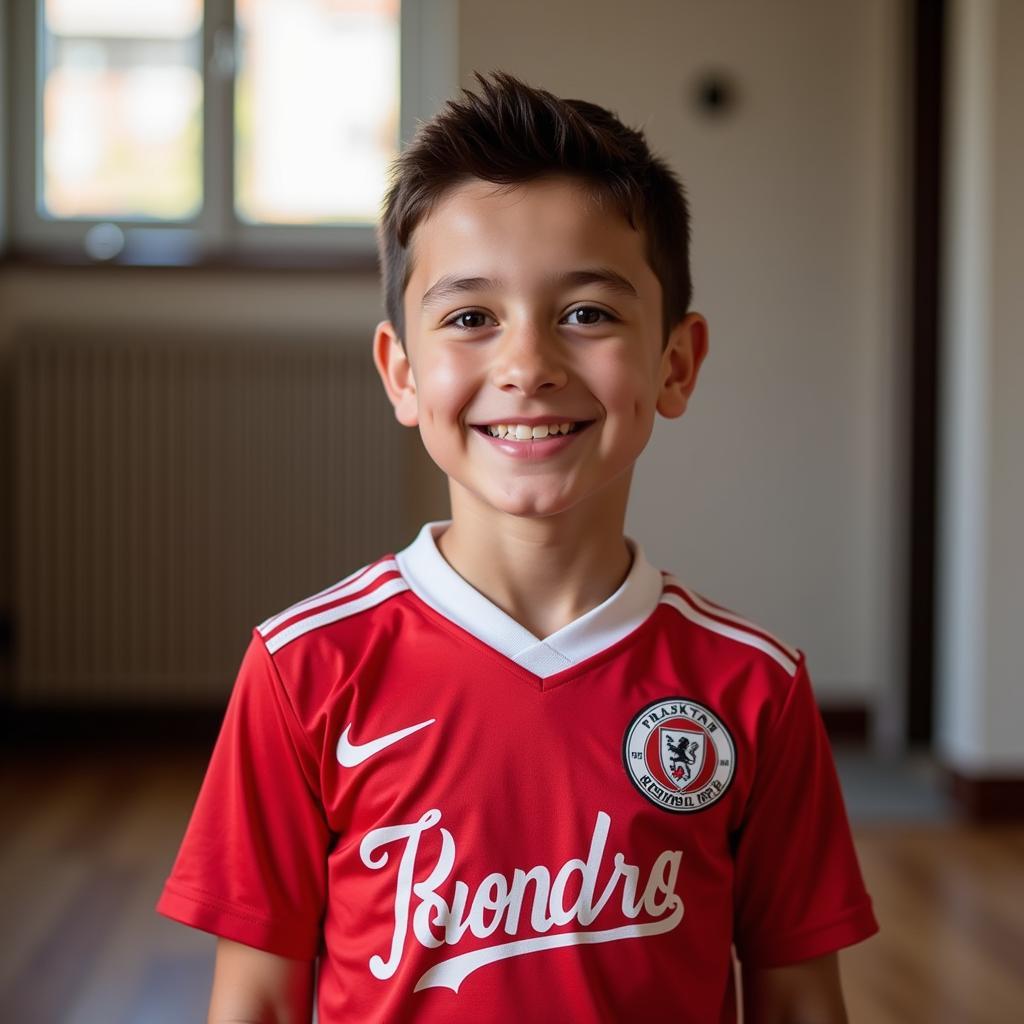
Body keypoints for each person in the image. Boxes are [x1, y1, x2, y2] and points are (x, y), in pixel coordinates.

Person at [156, 69, 879, 1023]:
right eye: (469, 318)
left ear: (676, 361)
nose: (528, 365)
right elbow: (255, 1002)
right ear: (402, 373)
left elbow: (798, 1004)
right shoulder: (305, 671)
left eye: (587, 313)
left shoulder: (753, 690)